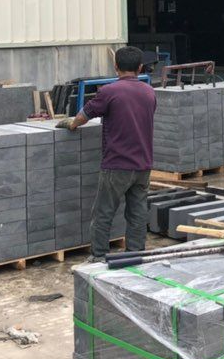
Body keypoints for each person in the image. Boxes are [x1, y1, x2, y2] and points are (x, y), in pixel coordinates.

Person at [57, 46, 156, 257]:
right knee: (138, 214)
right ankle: (135, 255)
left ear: (116, 66)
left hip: (117, 165)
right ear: (140, 67)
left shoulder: (109, 91)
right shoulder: (149, 92)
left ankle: (99, 257)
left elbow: (84, 115)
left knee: (103, 213)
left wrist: (72, 124)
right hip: (143, 165)